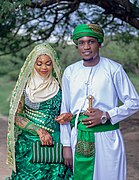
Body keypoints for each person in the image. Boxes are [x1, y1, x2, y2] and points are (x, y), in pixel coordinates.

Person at [58, 24, 139, 180]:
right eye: (81, 42)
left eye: (91, 42)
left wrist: (107, 114)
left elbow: (134, 101)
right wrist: (66, 145)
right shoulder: (70, 72)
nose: (86, 47)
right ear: (77, 46)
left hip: (107, 137)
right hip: (78, 138)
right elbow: (65, 110)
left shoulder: (114, 69)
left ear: (99, 43)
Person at [6, 43, 73, 179]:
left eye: (48, 64)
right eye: (39, 63)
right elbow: (16, 117)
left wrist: (68, 116)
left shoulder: (60, 87)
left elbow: (71, 110)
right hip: (29, 147)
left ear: (53, 64)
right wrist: (39, 131)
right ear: (32, 64)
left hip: (57, 145)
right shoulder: (25, 88)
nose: (44, 67)